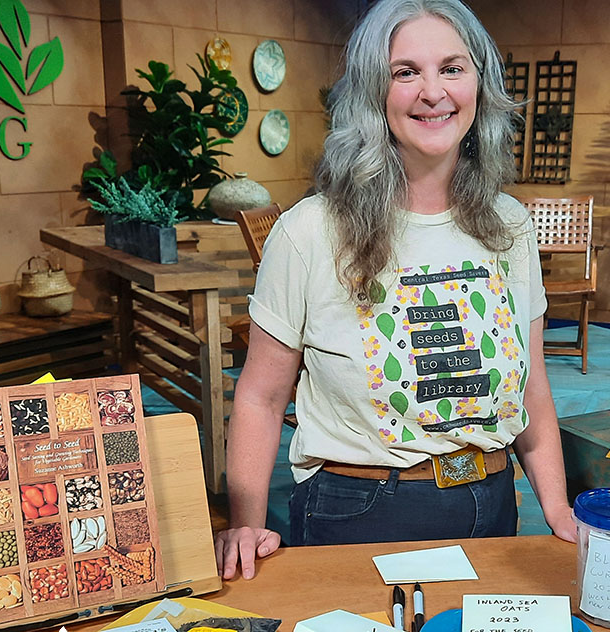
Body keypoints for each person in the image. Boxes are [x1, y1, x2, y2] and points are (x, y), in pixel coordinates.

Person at [215, 0, 577, 580]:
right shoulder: (310, 229)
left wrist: (555, 507)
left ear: (480, 84)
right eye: (405, 72)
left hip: (492, 499)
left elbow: (532, 382)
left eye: (452, 68)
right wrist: (245, 520)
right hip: (361, 509)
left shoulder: (509, 224)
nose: (432, 92)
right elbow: (259, 397)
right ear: (371, 93)